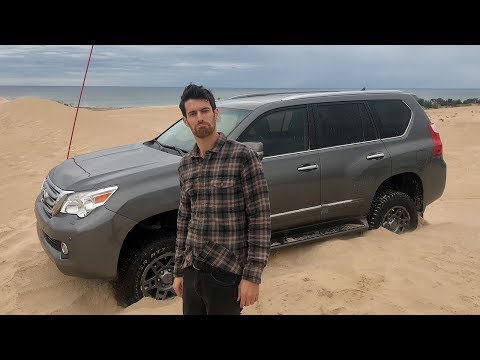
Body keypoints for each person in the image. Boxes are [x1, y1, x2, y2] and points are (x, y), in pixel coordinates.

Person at [172, 83, 271, 315]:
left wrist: (252, 276)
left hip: (226, 272)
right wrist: (178, 270)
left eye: (205, 111)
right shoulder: (185, 164)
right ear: (186, 121)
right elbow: (184, 220)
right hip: (191, 269)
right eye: (193, 114)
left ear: (215, 114)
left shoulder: (242, 157)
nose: (200, 118)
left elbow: (260, 219)